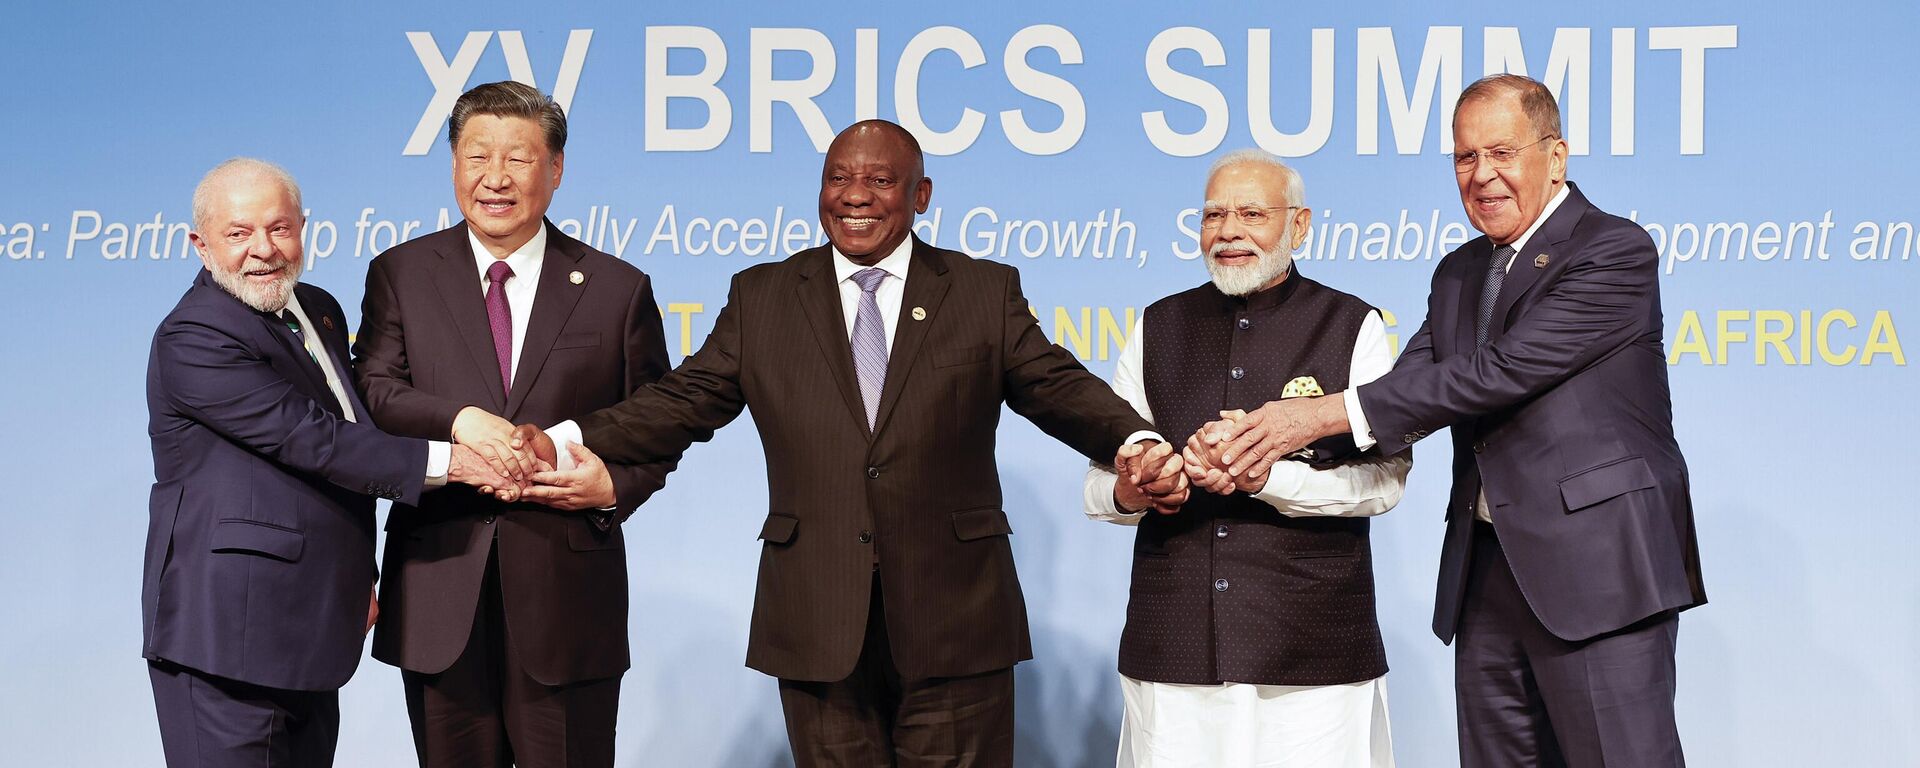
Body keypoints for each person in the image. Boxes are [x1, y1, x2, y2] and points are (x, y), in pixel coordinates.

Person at [516, 119, 1183, 767]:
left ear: (921, 195)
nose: (855, 194)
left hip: (956, 621)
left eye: (879, 179)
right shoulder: (764, 296)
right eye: (838, 177)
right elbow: (682, 401)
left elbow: (1055, 385)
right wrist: (568, 437)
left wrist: (1134, 437)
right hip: (815, 620)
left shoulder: (982, 292)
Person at [1199, 75, 1706, 767]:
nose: (1482, 175)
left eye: (1501, 152)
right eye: (1465, 158)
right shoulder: (1460, 272)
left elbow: (1500, 372)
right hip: (1488, 574)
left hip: (1598, 571)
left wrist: (1312, 414)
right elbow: (1409, 387)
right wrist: (1268, 438)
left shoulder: (1612, 250)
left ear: (1556, 156)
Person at [352, 81, 677, 768]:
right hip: (439, 586)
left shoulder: (618, 289)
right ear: (452, 164)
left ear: (555, 169)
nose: (494, 178)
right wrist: (462, 421)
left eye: (518, 159)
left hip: (566, 600)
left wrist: (612, 488)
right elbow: (375, 392)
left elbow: (656, 423)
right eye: (476, 156)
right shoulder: (402, 274)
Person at [143, 158, 510, 768]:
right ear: (199, 245)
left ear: (304, 227)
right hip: (226, 635)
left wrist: (355, 574)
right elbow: (313, 440)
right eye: (239, 234)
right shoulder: (195, 336)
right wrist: (460, 462)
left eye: (280, 228)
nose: (264, 250)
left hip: (310, 625)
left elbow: (353, 426)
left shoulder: (317, 307)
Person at [1082, 149, 1409, 768]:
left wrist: (1267, 478)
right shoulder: (1158, 325)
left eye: (1252, 213)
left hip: (1312, 653)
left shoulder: (1351, 324)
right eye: (1213, 215)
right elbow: (1100, 487)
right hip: (1174, 650)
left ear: (1300, 224)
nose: (1228, 231)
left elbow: (1386, 483)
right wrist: (1140, 489)